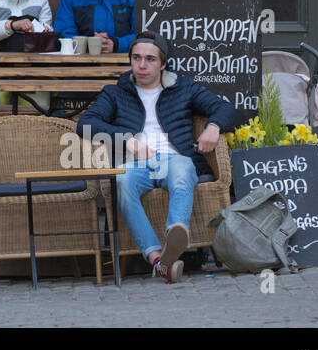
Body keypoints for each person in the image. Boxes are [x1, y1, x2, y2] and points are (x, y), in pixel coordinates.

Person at [77, 31, 236, 283]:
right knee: (121, 181)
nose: (142, 65)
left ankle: (174, 233)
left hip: (175, 160)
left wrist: (214, 127)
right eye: (136, 58)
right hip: (135, 164)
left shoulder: (183, 88)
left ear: (163, 64)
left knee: (183, 169)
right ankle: (158, 259)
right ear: (129, 60)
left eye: (150, 59)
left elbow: (225, 108)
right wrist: (127, 139)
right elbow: (85, 123)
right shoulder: (115, 93)